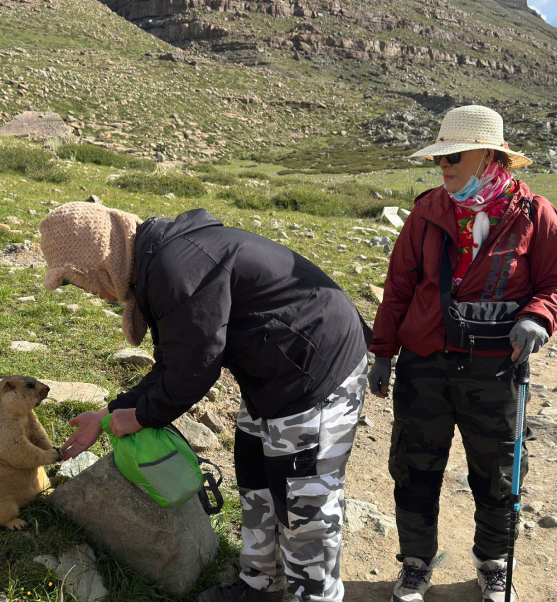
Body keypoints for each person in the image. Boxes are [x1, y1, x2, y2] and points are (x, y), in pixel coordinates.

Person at [38, 201, 371, 602]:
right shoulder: (155, 263)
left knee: (303, 505)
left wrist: (140, 416)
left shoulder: (174, 268)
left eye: (76, 281)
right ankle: (261, 586)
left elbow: (192, 372)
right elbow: (175, 362)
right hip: (272, 373)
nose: (89, 292)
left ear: (95, 262)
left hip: (314, 370)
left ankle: (313, 595)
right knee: (256, 477)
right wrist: (109, 414)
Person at [368, 105, 557, 602]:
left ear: (487, 156)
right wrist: (383, 353)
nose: (443, 167)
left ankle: (493, 564)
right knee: (415, 469)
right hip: (424, 366)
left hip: (496, 370)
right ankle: (416, 564)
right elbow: (398, 288)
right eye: (440, 158)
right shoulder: (426, 212)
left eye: (453, 157)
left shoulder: (533, 213)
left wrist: (538, 318)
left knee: (500, 475)